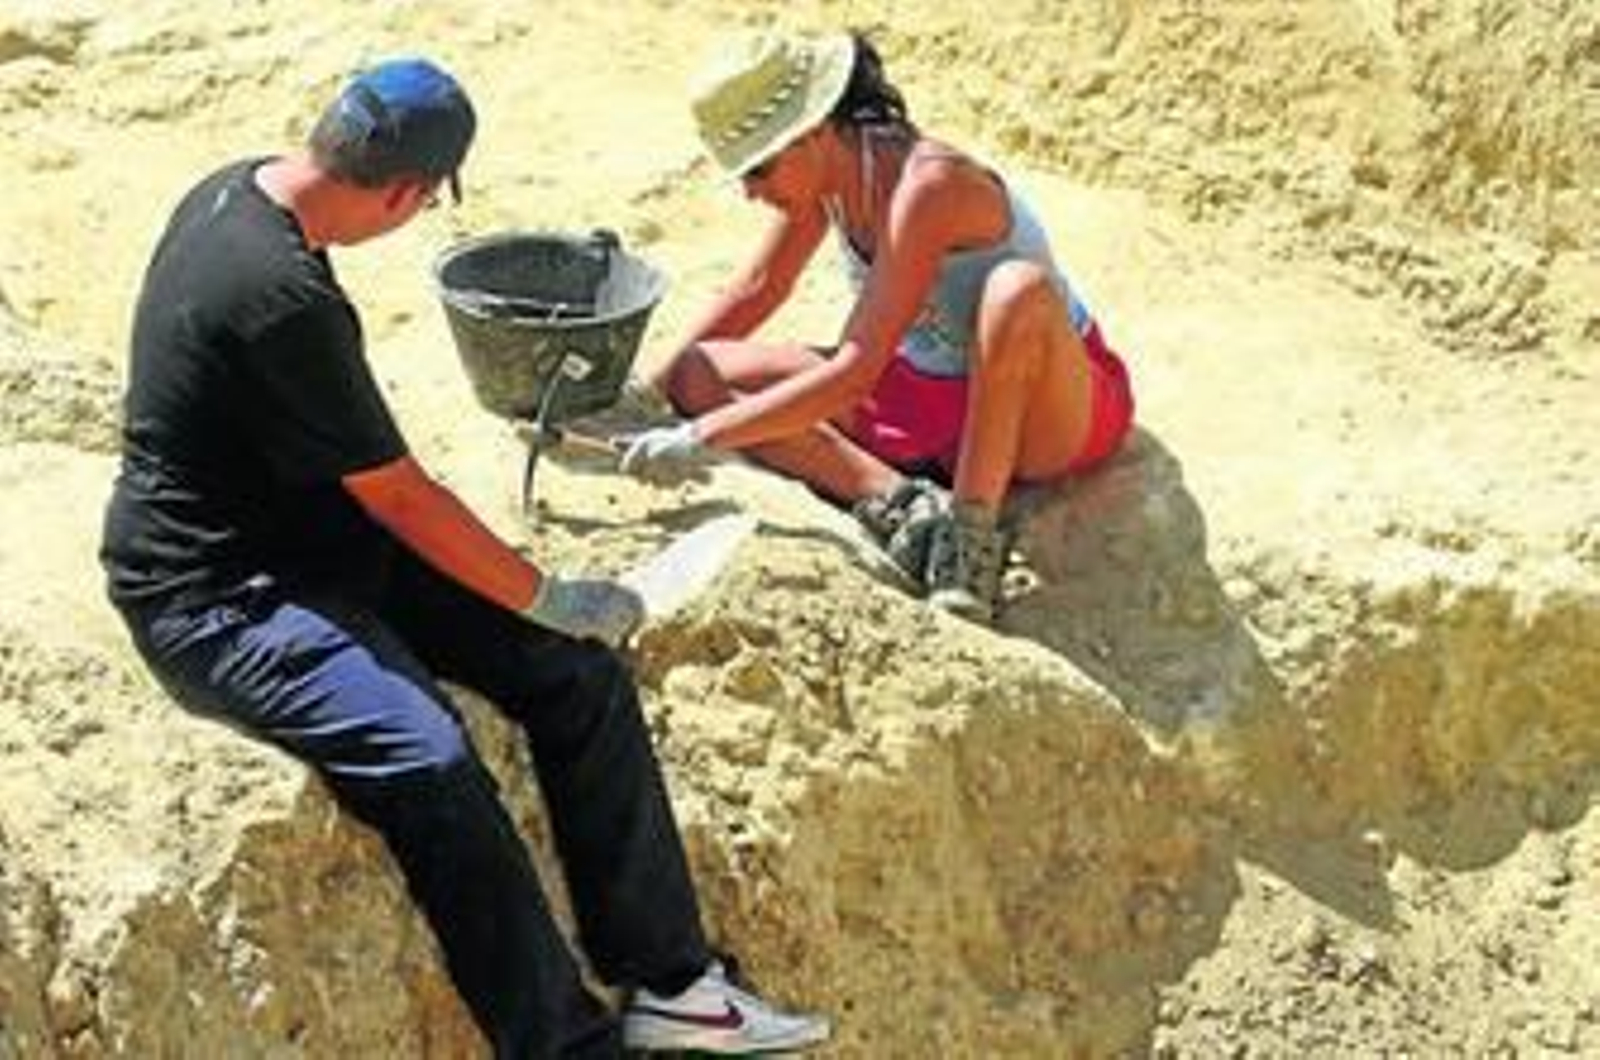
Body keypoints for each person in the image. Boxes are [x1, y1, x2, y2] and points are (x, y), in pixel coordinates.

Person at [99, 56, 829, 1058]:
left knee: (575, 674)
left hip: (313, 538)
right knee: (433, 758)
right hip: (215, 596)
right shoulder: (280, 296)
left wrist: (553, 623)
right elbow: (400, 492)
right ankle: (565, 1044)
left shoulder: (237, 188)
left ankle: (672, 978)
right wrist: (550, 591)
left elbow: (373, 494)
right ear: (406, 194)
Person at [620, 31, 1135, 623]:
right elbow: (759, 287)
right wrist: (645, 395)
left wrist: (703, 436)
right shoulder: (829, 174)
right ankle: (900, 504)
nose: (749, 192)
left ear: (810, 133)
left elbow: (852, 372)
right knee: (698, 372)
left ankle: (966, 546)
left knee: (1016, 292)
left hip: (1044, 412)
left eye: (758, 168)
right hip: (925, 400)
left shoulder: (929, 185)